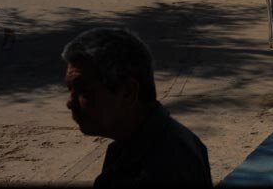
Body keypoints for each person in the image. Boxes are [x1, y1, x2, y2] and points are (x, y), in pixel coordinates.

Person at [62, 28, 212, 186]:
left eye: (84, 91)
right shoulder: (141, 145)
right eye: (70, 89)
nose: (70, 103)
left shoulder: (160, 169)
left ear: (128, 93)